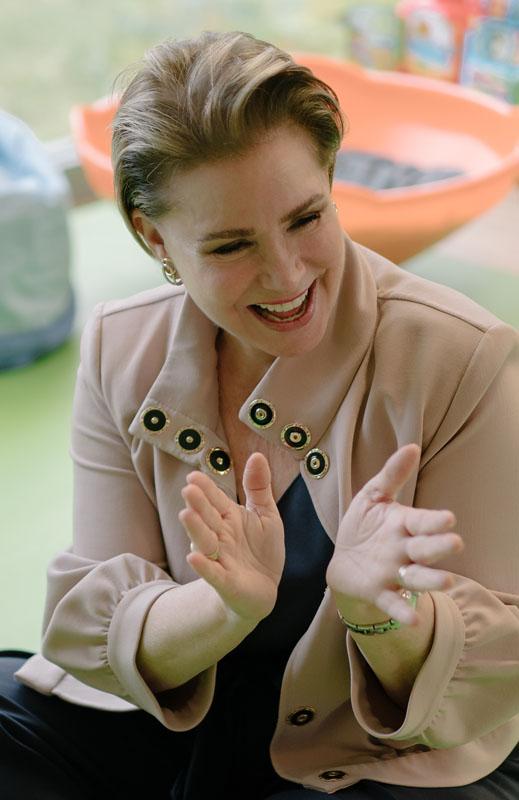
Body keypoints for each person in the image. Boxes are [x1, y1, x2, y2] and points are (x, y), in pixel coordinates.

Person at [1, 29, 518, 800]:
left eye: (306, 218)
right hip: (163, 727)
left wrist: (379, 613)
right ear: (154, 238)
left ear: (332, 181)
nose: (286, 275)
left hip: (376, 756)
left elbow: (489, 682)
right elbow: (92, 639)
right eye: (230, 244)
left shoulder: (463, 359)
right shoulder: (119, 348)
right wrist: (219, 608)